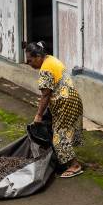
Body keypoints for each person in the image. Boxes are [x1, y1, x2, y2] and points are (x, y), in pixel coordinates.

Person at [25, 42, 84, 178]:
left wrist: (38, 115)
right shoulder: (51, 59)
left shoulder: (45, 69)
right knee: (61, 132)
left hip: (65, 103)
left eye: (30, 60)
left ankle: (75, 166)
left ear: (38, 56)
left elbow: (46, 95)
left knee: (59, 137)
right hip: (73, 99)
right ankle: (65, 160)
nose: (28, 63)